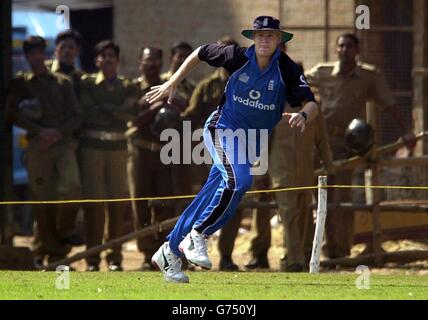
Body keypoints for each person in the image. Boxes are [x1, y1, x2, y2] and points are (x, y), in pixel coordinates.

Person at [146, 16, 319, 283]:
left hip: (249, 145)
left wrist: (303, 116)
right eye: (260, 35)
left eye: (270, 36)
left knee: (212, 196)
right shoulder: (236, 56)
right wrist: (173, 82)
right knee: (240, 180)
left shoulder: (287, 69)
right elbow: (201, 52)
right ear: (253, 38)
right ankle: (198, 235)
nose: (264, 40)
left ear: (279, 40)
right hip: (221, 129)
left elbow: (311, 103)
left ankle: (168, 250)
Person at [305, 33, 416, 259]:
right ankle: (325, 250)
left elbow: (389, 104)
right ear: (335, 50)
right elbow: (296, 84)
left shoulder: (368, 76)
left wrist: (406, 130)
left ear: (357, 50)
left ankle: (342, 251)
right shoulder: (322, 72)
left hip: (349, 144)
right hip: (323, 142)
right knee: (321, 196)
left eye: (349, 46)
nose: (344, 50)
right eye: (341, 46)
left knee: (343, 199)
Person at [5, 36, 81, 269]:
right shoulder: (21, 83)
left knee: (72, 187)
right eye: (31, 52)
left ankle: (64, 234)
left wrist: (56, 133)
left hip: (62, 145)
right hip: (37, 146)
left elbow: (77, 116)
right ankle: (52, 253)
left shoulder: (62, 82)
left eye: (39, 51)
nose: (36, 56)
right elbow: (11, 113)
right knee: (42, 201)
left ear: (45, 54)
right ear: (26, 56)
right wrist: (39, 131)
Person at [79, 40, 138, 271]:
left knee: (116, 205)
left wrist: (102, 108)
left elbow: (129, 113)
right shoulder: (87, 83)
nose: (107, 59)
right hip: (92, 148)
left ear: (118, 60)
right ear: (97, 60)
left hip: (118, 149)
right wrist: (115, 111)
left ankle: (115, 258)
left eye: (111, 55)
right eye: (103, 56)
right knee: (94, 205)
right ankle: (92, 259)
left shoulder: (128, 86)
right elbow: (85, 112)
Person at [126, 46, 175, 270]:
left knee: (164, 203)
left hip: (165, 153)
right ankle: (147, 253)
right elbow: (133, 120)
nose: (151, 64)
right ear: (139, 63)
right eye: (147, 61)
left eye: (155, 60)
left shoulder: (168, 85)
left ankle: (163, 251)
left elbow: (184, 108)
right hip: (140, 152)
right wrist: (157, 106)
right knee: (141, 204)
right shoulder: (133, 88)